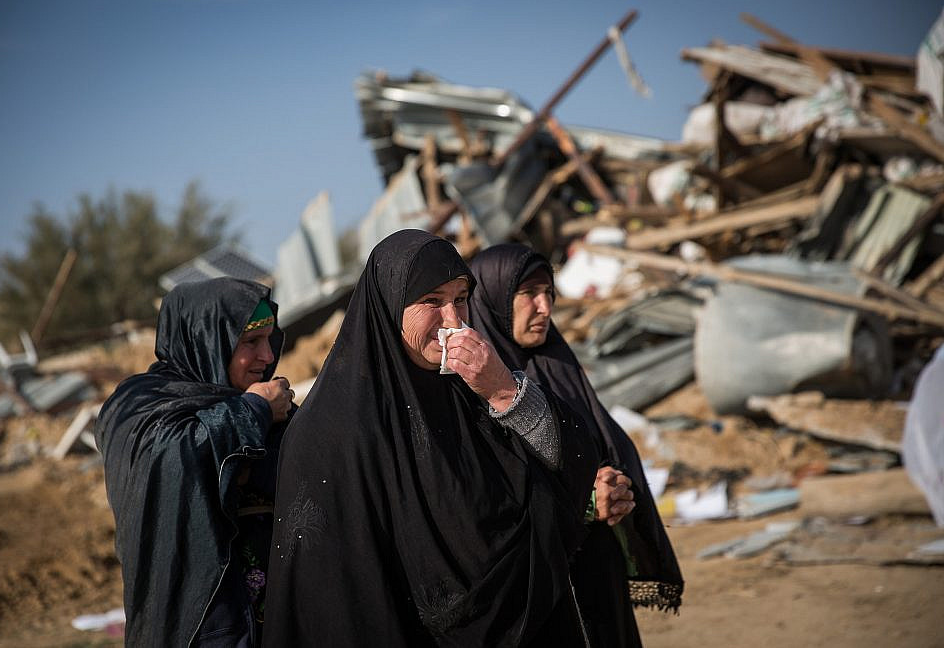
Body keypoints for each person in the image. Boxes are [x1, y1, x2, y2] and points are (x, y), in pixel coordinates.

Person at [262, 229, 598, 646]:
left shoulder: (471, 392)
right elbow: (338, 599)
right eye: (431, 302)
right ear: (388, 308)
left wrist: (504, 392)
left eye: (460, 299)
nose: (453, 321)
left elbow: (566, 468)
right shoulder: (332, 435)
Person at [468, 244, 684, 647]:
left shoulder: (557, 365)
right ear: (492, 296)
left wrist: (614, 487)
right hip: (533, 589)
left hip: (596, 571)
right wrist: (584, 500)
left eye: (549, 293)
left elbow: (602, 447)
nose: (544, 307)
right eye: (529, 293)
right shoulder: (471, 386)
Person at [96, 277, 296, 646]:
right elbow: (173, 458)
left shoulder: (267, 410)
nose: (268, 356)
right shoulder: (140, 406)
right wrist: (252, 412)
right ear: (208, 340)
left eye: (270, 339)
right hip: (199, 625)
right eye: (250, 342)